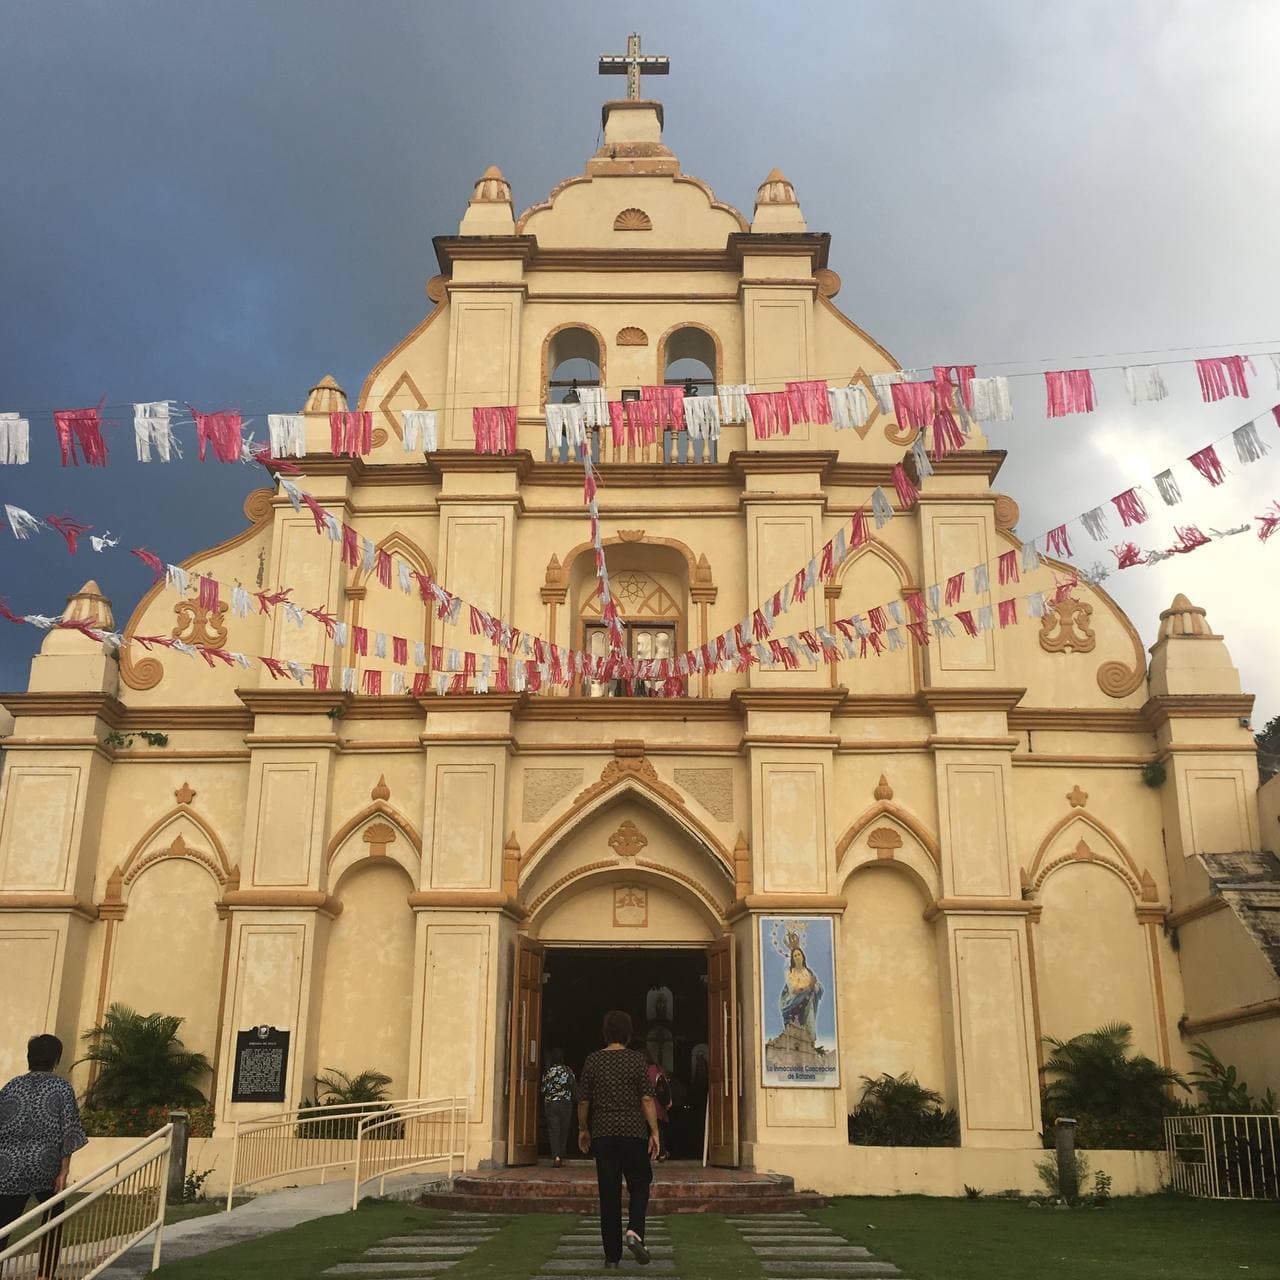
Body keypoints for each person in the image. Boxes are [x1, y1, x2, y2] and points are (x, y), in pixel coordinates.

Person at [0, 1033, 88, 1278]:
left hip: (9, 1166)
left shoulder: (10, 1087)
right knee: (53, 1218)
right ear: (55, 1059)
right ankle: (46, 1274)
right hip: (44, 1164)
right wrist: (64, 1171)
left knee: (3, 1225)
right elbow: (69, 1131)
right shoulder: (61, 1087)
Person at [576, 1010, 659, 1270]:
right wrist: (654, 1131)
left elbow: (584, 1100)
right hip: (633, 1131)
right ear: (628, 1033)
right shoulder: (636, 1060)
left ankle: (612, 1257)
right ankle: (635, 1230)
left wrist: (583, 1129)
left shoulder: (593, 1060)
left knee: (608, 1193)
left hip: (603, 1132)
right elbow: (646, 1098)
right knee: (640, 1182)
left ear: (605, 1032)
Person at [540, 1048, 576, 1169]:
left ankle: (556, 1157)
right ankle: (562, 1155)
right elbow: (573, 1087)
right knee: (564, 1129)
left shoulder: (549, 1072)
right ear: (562, 1059)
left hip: (551, 1104)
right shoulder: (568, 1071)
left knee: (553, 1130)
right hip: (566, 1103)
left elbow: (543, 1089)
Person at [645, 1051, 672, 1162]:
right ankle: (661, 1152)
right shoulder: (658, 1068)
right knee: (658, 1128)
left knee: (652, 1128)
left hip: (649, 1103)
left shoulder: (644, 1070)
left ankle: (658, 1152)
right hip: (659, 1103)